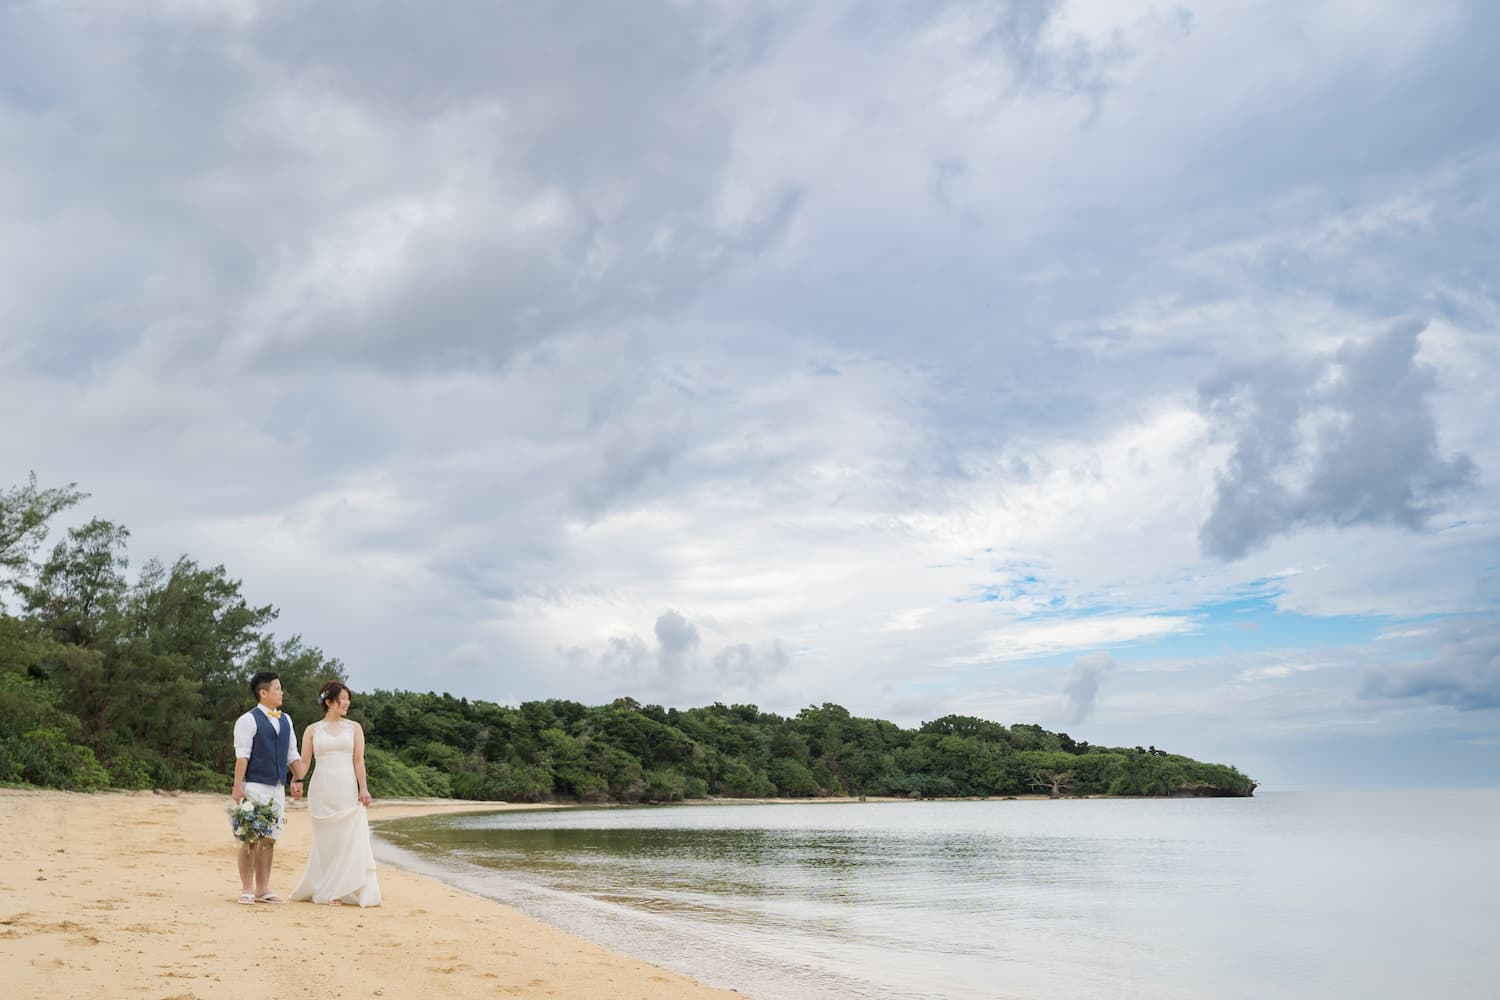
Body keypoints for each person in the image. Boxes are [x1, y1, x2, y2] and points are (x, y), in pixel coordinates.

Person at [290, 680, 382, 906]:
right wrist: (297, 778)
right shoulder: (312, 730)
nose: (347, 703)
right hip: (321, 789)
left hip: (346, 787)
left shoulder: (354, 728)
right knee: (326, 840)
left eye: (348, 698)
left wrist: (364, 788)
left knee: (345, 838)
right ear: (329, 702)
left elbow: (359, 760)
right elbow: (304, 761)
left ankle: (340, 890)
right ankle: (324, 885)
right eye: (342, 698)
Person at [231, 671, 304, 905]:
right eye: (278, 688)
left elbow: (292, 753)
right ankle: (247, 888)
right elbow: (242, 756)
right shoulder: (248, 720)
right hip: (253, 786)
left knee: (270, 839)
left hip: (277, 787)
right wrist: (237, 787)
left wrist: (298, 778)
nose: (282, 692)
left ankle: (263, 889)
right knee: (250, 837)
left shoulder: (286, 719)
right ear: (263, 693)